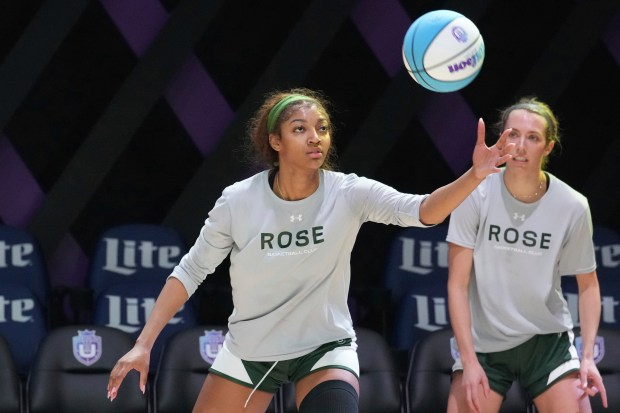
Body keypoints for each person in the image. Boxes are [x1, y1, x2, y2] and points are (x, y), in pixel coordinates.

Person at [107, 87, 512, 413]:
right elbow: (190, 272)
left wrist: (475, 176)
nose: (315, 137)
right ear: (275, 141)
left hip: (324, 347)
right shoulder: (238, 201)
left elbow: (423, 210)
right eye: (300, 129)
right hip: (253, 350)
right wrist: (144, 344)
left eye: (322, 127)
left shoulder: (348, 193)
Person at [446, 97, 608, 413]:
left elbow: (588, 285)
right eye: (513, 135)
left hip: (547, 343)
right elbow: (457, 285)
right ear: (501, 138)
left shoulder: (572, 206)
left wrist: (587, 357)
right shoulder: (473, 193)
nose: (520, 146)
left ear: (547, 147)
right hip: (485, 343)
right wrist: (468, 361)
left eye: (532, 137)